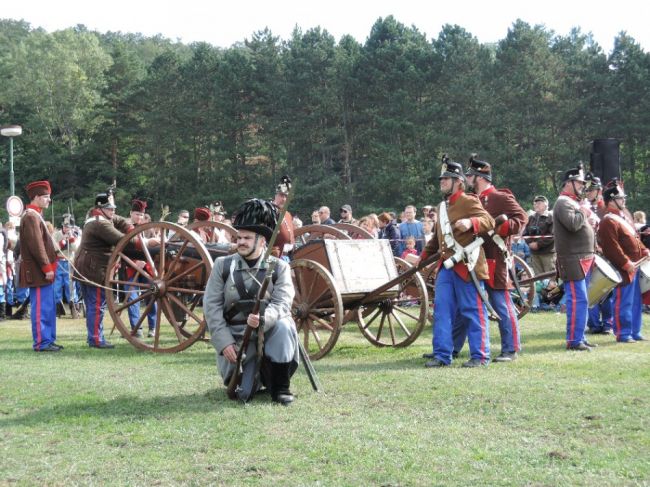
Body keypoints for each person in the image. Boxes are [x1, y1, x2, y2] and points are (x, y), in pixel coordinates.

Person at [204, 198, 299, 405]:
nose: (241, 242)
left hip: (269, 334)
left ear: (262, 241)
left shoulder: (280, 268)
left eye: (247, 238)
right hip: (237, 340)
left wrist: (264, 318)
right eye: (238, 238)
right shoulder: (222, 266)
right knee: (244, 392)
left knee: (284, 324)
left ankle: (281, 387)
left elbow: (283, 303)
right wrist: (224, 342)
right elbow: (211, 308)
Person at [420, 157, 495, 367]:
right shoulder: (442, 207)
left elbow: (488, 221)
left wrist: (470, 222)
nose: (442, 182)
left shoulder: (469, 200)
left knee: (473, 311)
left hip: (467, 265)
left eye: (447, 178)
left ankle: (480, 356)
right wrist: (423, 258)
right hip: (447, 265)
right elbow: (437, 237)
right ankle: (442, 355)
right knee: (441, 311)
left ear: (458, 182)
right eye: (442, 178)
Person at [460, 156, 528, 362]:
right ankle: (453, 348)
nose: (467, 179)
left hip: (494, 257)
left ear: (479, 177)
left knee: (501, 304)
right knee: (467, 306)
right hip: (474, 258)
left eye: (470, 175)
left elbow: (521, 218)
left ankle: (511, 348)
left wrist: (501, 228)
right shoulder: (472, 199)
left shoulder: (501, 197)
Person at [74, 192, 145, 349]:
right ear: (100, 208)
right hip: (94, 269)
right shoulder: (100, 224)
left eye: (113, 208)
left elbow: (119, 220)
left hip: (89, 266)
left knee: (95, 304)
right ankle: (96, 339)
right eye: (110, 208)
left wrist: (130, 226)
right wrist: (144, 242)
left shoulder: (102, 217)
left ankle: (94, 337)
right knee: (96, 304)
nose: (113, 211)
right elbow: (123, 241)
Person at [597, 182, 649, 342]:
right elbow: (612, 247)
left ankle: (634, 331)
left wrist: (644, 251)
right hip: (624, 267)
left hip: (636, 265)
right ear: (611, 200)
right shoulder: (608, 220)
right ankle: (623, 333)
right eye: (620, 198)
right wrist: (625, 263)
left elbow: (634, 238)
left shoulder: (622, 217)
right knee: (623, 301)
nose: (623, 201)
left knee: (635, 301)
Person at [553, 164, 597, 351]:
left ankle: (579, 337)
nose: (582, 185)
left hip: (580, 259)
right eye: (579, 182)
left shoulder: (571, 202)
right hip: (573, 260)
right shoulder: (563, 202)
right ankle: (574, 340)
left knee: (582, 300)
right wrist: (584, 212)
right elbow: (572, 224)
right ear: (568, 183)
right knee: (578, 300)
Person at [20, 180, 60, 352]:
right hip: (38, 271)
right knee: (40, 308)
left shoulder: (36, 215)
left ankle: (48, 339)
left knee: (48, 307)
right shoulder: (30, 216)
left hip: (43, 270)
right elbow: (37, 245)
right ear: (36, 197)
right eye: (45, 197)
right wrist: (47, 268)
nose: (48, 200)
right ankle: (41, 342)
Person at [124, 199, 158, 338]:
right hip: (129, 267)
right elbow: (120, 249)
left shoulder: (148, 230)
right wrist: (134, 262)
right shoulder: (125, 228)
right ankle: (136, 329)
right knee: (132, 299)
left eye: (142, 215)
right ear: (131, 213)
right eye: (137, 214)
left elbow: (155, 248)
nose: (139, 217)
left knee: (152, 295)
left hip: (146, 267)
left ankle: (152, 327)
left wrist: (144, 262)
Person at [52, 214, 81, 318]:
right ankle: (58, 309)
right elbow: (54, 248)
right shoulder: (56, 235)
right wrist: (63, 241)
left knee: (70, 287)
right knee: (57, 287)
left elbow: (76, 249)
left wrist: (71, 239)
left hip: (69, 262)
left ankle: (74, 309)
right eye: (65, 226)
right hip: (59, 262)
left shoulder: (75, 235)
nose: (66, 228)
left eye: (68, 226)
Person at [522, 195, 556, 276]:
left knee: (550, 278)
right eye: (535, 203)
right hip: (534, 254)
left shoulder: (551, 217)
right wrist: (530, 244)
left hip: (548, 254)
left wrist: (538, 244)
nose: (536, 205)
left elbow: (552, 234)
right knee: (538, 278)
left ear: (546, 205)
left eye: (539, 203)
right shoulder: (531, 218)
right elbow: (525, 233)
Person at [270, 176, 295, 259]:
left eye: (286, 196)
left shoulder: (288, 214)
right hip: (273, 257)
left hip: (289, 256)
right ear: (275, 195)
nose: (284, 199)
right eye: (281, 195)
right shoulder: (267, 211)